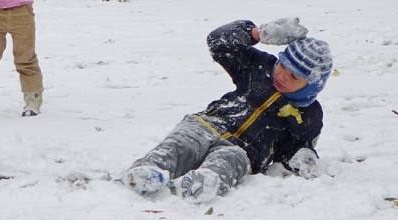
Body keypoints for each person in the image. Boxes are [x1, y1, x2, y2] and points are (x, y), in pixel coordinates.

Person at [121, 17, 333, 203]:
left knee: (230, 162)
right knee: (181, 143)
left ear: (312, 85)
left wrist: (302, 157)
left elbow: (295, 147)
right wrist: (258, 33)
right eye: (282, 65)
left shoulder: (309, 115)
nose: (282, 76)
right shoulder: (259, 68)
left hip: (243, 150)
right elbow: (218, 42)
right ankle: (148, 170)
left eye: (294, 77)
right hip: (208, 124)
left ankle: (205, 182)